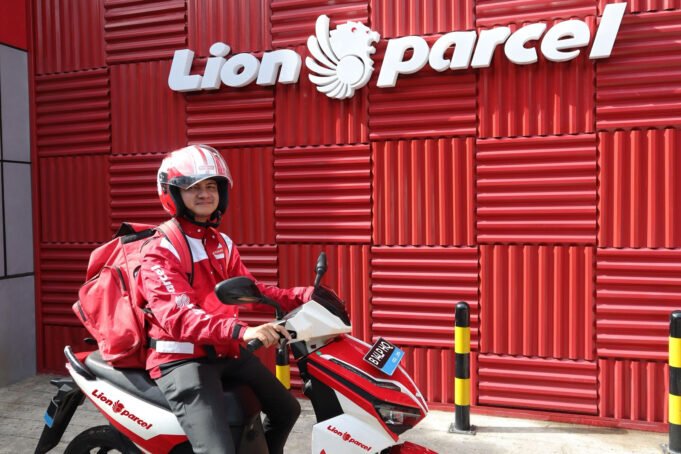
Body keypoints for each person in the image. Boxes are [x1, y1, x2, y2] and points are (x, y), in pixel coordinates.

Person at [138, 144, 313, 453]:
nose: (204, 194)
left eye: (211, 186)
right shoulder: (161, 249)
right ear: (172, 193)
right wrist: (242, 332)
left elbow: (249, 290)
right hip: (182, 360)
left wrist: (302, 296)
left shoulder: (221, 243)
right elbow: (178, 317)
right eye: (193, 187)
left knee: (287, 409)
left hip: (222, 351)